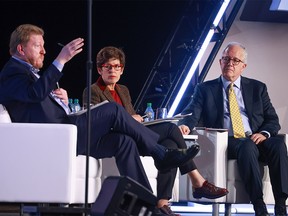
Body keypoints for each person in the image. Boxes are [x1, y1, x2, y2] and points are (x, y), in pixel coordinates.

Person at [0, 24, 201, 214]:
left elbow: (35, 100)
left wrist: (60, 100)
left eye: (44, 46)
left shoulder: (25, 74)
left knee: (124, 142)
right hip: (58, 137)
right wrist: (60, 60)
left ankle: (148, 205)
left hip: (65, 131)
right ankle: (160, 152)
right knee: (112, 110)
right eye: (38, 46)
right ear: (20, 48)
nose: (44, 51)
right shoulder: (12, 73)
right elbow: (35, 95)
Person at [82, 46, 228, 215]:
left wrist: (136, 118)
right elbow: (98, 123)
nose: (113, 71)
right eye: (108, 67)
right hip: (116, 140)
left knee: (171, 144)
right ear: (100, 69)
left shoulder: (123, 90)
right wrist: (131, 119)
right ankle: (197, 181)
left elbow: (130, 116)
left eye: (117, 67)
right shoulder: (92, 91)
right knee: (171, 129)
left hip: (135, 135)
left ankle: (162, 203)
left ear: (121, 70)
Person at [178, 42, 288, 216]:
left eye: (235, 60)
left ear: (243, 67)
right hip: (228, 141)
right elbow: (192, 113)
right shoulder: (205, 89)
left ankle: (281, 206)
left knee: (278, 145)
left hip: (255, 137)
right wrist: (185, 125)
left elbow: (272, 120)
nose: (230, 63)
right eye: (226, 59)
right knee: (247, 146)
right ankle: (258, 205)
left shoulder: (258, 88)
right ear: (220, 62)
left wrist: (264, 133)